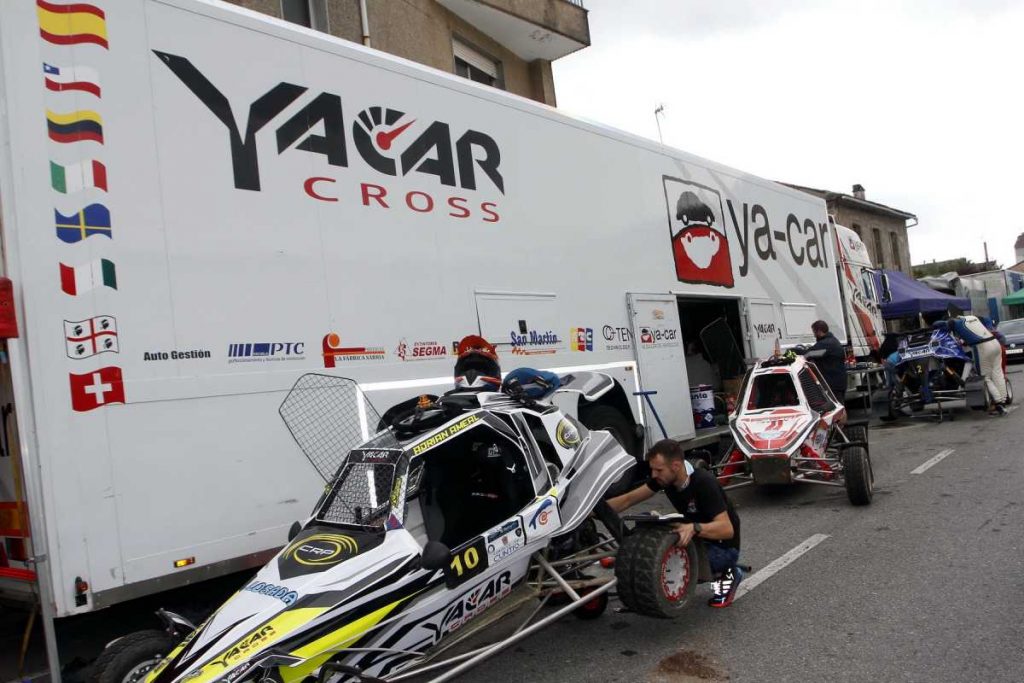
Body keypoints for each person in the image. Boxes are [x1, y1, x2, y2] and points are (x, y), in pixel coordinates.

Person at [607, 439, 743, 608]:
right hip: (697, 536)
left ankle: (728, 573)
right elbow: (628, 499)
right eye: (652, 469)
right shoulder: (665, 478)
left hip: (722, 546)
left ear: (676, 466)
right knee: (645, 520)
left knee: (669, 564)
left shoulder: (703, 482)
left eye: (658, 470)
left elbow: (727, 529)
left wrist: (694, 528)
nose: (653, 475)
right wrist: (593, 511)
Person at [943, 306, 1007, 415]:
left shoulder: (954, 323)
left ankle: (998, 403)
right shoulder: (972, 318)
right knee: (998, 373)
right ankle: (1004, 400)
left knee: (985, 377)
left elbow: (945, 327)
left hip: (982, 347)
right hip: (995, 343)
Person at [798, 320, 847, 403]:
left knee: (835, 406)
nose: (814, 335)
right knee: (840, 404)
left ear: (819, 331)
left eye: (814, 332)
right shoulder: (833, 341)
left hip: (832, 383)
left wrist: (793, 351)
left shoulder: (825, 344)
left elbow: (809, 354)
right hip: (839, 381)